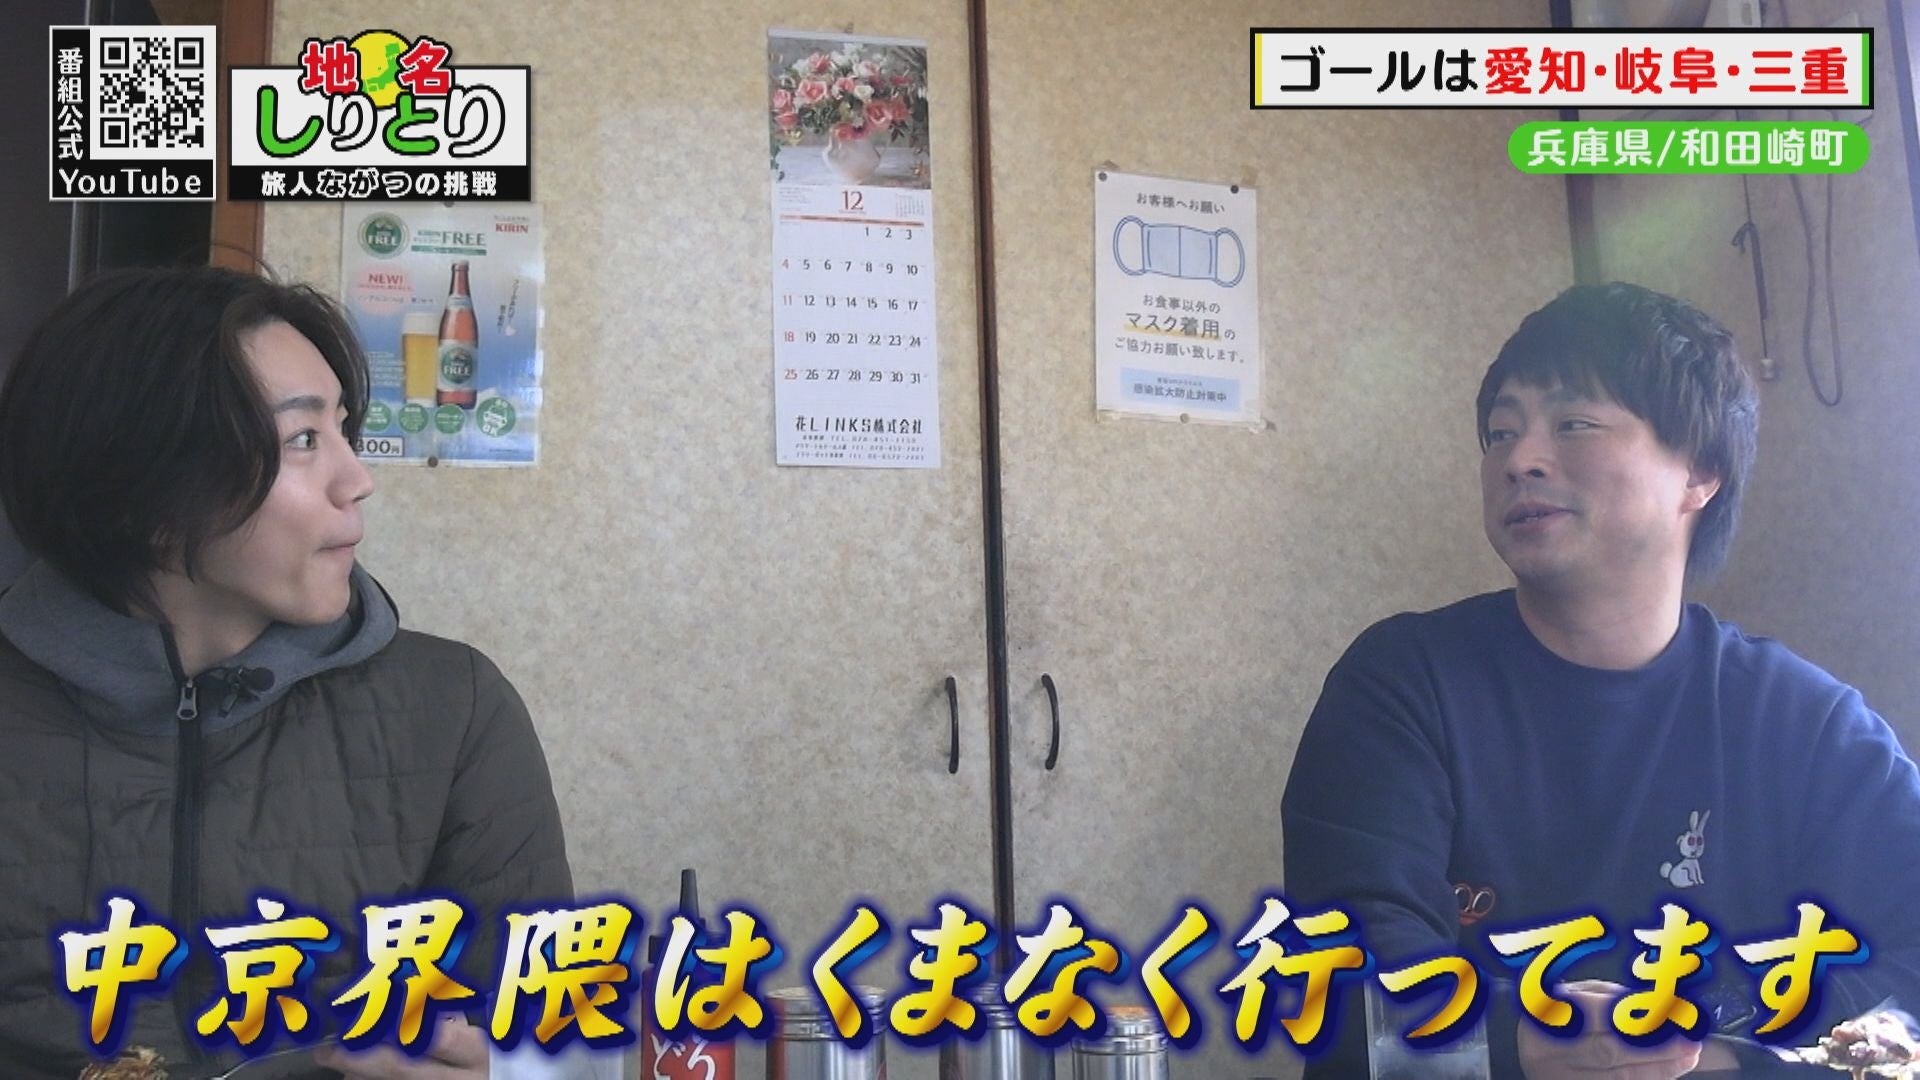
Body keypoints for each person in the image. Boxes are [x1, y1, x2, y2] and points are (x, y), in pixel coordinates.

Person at [1282, 282, 1920, 1078]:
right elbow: (1344, 985)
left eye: (1573, 424)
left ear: (1700, 470)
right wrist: (1524, 1040)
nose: (1519, 459)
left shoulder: (1806, 724)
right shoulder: (1402, 685)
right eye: (1500, 432)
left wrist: (1716, 1055)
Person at [0, 266, 573, 1078]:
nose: (358, 479)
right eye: (303, 440)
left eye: (342, 428)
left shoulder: (454, 712)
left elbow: (545, 1034)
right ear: (140, 487)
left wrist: (510, 1070)